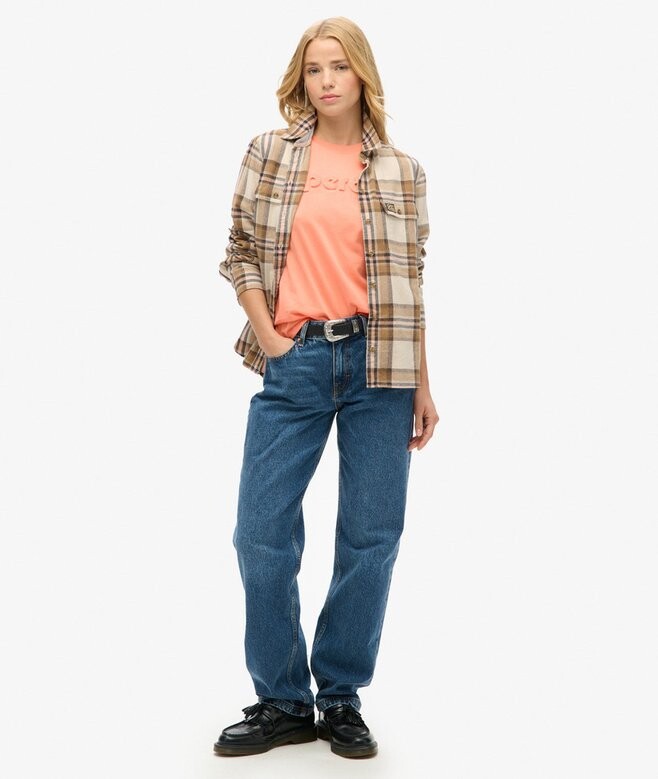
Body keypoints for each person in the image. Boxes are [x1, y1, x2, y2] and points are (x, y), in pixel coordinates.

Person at [213, 16, 440, 759]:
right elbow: (241, 251)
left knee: (372, 537)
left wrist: (423, 384)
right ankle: (283, 699)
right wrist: (272, 336)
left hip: (382, 366)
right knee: (260, 532)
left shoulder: (403, 171)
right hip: (297, 359)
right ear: (301, 79)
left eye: (339, 66)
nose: (327, 81)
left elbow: (410, 284)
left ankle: (339, 694)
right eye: (314, 69)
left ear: (362, 73)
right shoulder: (270, 153)